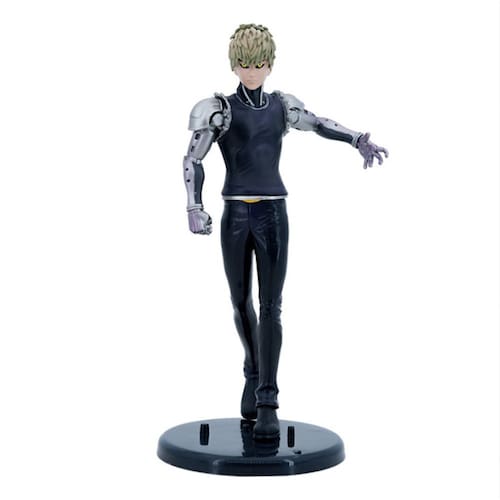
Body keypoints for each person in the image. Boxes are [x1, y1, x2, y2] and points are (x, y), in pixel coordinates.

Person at [182, 24, 388, 439]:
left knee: (271, 306)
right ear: (234, 64)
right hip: (235, 213)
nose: (252, 70)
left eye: (259, 63)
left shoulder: (282, 106)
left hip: (273, 213)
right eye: (245, 63)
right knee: (240, 302)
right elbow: (192, 158)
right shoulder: (218, 109)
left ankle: (267, 399)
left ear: (270, 64)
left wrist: (356, 140)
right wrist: (194, 206)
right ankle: (252, 369)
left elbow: (318, 123)